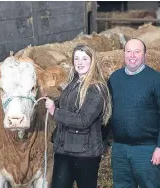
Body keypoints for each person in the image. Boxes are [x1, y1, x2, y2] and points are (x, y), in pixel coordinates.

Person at [45, 44, 112, 188]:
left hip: (85, 153)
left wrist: (54, 111)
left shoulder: (96, 88)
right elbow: (68, 106)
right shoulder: (73, 83)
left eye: (84, 58)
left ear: (92, 61)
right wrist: (54, 103)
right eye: (76, 58)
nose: (79, 62)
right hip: (64, 149)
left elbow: (84, 120)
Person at [107, 38, 160, 188]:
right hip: (120, 148)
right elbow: (107, 111)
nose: (132, 55)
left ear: (145, 55)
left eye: (137, 51)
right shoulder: (114, 78)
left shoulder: (156, 79)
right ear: (123, 54)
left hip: (146, 149)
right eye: (128, 51)